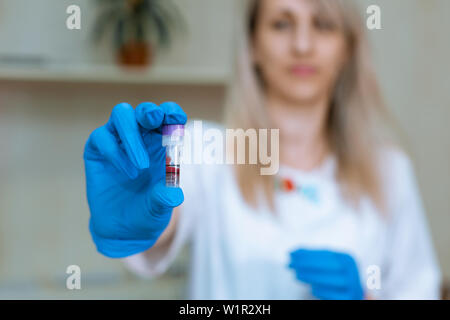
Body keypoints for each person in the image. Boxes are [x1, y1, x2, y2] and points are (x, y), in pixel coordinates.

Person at [83, 0, 441, 299]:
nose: (303, 44)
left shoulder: (390, 169)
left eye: (324, 25)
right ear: (253, 44)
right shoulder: (204, 148)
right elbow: (162, 223)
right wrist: (133, 223)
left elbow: (418, 289)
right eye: (282, 24)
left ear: (347, 47)